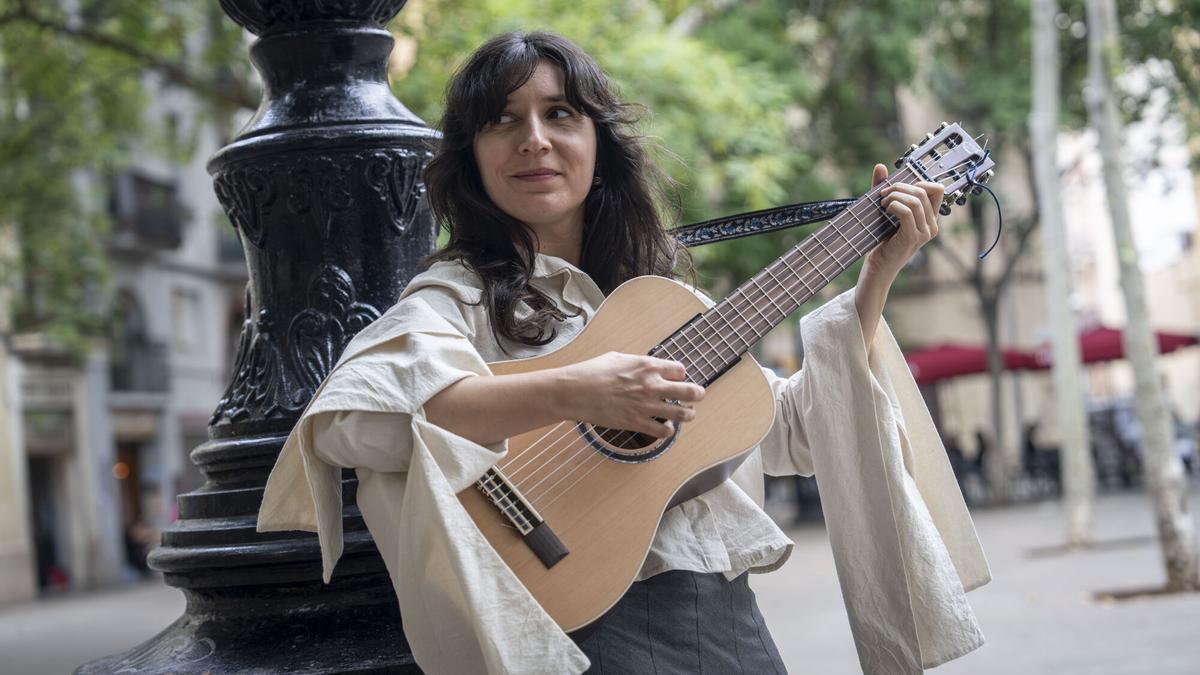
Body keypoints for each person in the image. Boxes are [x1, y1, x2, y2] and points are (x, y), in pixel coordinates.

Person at [256, 31, 990, 675]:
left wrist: (876, 274)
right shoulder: (459, 293)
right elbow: (360, 418)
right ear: (471, 159)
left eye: (560, 114)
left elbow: (792, 428)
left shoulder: (662, 303)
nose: (534, 139)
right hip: (573, 628)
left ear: (599, 143)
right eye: (502, 120)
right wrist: (576, 390)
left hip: (726, 623)